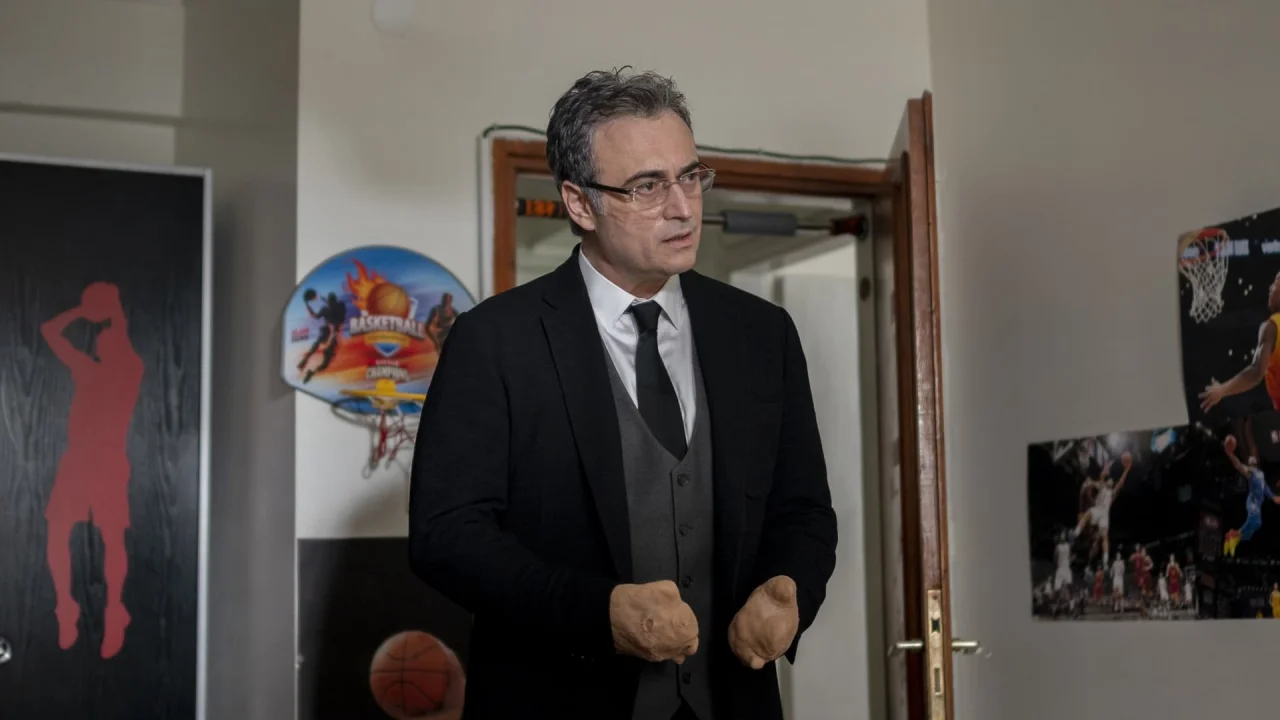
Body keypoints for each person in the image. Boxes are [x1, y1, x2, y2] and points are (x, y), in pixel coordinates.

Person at [407, 68, 837, 720]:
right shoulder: (494, 340)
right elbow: (446, 536)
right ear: (580, 204)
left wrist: (791, 588)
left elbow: (803, 508)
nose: (683, 207)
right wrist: (598, 611)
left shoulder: (761, 334)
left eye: (690, 176)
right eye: (647, 186)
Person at [40, 282, 144, 658]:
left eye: (106, 339)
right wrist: (90, 311)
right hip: (82, 462)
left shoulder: (121, 371)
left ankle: (112, 611)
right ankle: (69, 608)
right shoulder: (95, 370)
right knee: (62, 532)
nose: (100, 342)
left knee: (106, 537)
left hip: (103, 464)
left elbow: (53, 330)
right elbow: (49, 332)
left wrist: (99, 311)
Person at [1199, 270, 1280, 412]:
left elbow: (1256, 372)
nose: (1270, 288)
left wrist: (1223, 390)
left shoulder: (1272, 327)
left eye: (1275, 284)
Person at [1221, 430, 1280, 557]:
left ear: (1256, 462)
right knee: (1253, 519)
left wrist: (1274, 497)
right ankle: (1235, 535)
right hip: (1252, 500)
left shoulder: (1260, 474)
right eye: (1251, 462)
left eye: (1254, 461)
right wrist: (1231, 455)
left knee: (1257, 525)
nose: (1253, 463)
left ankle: (1232, 536)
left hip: (1258, 502)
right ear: (1250, 463)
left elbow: (1265, 488)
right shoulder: (1250, 472)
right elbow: (1238, 465)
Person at [1072, 453, 1132, 566]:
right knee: (1088, 513)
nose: (1110, 481)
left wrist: (1126, 470)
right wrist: (1108, 464)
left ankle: (1105, 559)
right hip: (1097, 509)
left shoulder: (1112, 493)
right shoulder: (1101, 486)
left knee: (1105, 535)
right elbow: (1103, 475)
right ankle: (1075, 533)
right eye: (1109, 481)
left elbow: (1120, 483)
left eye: (1111, 481)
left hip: (1104, 513)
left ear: (1112, 484)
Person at [297, 290, 346, 383]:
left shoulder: (325, 310)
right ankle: (312, 371)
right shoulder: (341, 306)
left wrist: (307, 306)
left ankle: (305, 360)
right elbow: (337, 310)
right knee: (325, 363)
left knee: (315, 346)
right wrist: (327, 301)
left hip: (326, 332)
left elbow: (314, 316)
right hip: (334, 336)